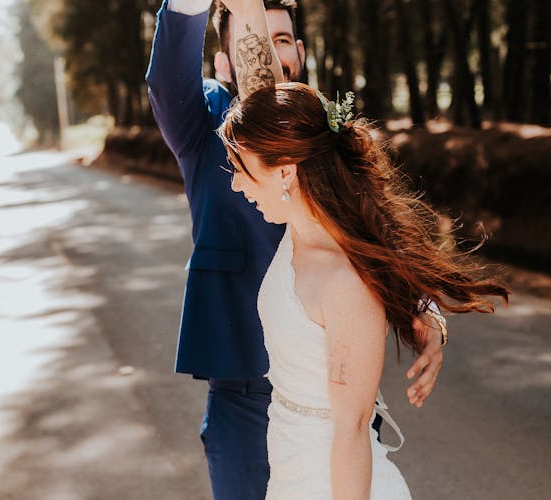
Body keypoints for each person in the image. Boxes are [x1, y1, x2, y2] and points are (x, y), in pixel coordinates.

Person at [146, 1, 447, 498]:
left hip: (328, 390)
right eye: (261, 35)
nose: (272, 47)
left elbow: (376, 233)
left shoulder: (322, 143)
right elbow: (169, 84)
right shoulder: (207, 129)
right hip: (241, 381)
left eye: (283, 38)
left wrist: (424, 308)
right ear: (225, 62)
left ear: (301, 52)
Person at [218, 82, 510, 499]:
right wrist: (428, 312)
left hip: (332, 483)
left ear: (286, 171)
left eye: (242, 171)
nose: (236, 186)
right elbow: (391, 263)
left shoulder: (343, 284)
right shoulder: (298, 233)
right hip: (289, 471)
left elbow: (352, 432)